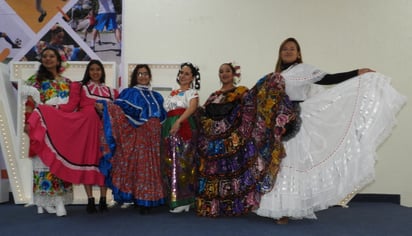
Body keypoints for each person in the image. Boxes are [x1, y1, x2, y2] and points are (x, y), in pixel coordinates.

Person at [255, 37, 407, 224]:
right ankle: (277, 207)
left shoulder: (304, 70)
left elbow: (328, 79)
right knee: (277, 163)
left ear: (298, 53)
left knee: (292, 160)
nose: (288, 51)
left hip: (295, 120)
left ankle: (288, 208)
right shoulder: (274, 75)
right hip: (277, 123)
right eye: (284, 49)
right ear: (280, 53)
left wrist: (357, 72)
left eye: (292, 48)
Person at [195, 62, 296, 217]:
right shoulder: (213, 96)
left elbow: (253, 105)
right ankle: (214, 207)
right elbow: (205, 115)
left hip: (232, 142)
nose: (224, 74)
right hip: (214, 144)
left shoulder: (242, 92)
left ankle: (231, 207)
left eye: (227, 71)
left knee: (229, 171)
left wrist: (271, 81)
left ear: (233, 74)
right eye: (221, 71)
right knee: (215, 172)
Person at [27, 60, 118, 214]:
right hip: (86, 130)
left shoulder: (112, 92)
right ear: (88, 72)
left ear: (102, 72)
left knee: (104, 162)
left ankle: (103, 199)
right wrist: (50, 109)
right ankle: (90, 200)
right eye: (92, 70)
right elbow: (70, 106)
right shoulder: (79, 87)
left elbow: (117, 110)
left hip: (105, 131)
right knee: (87, 160)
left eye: (98, 69)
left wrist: (106, 108)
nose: (95, 72)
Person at [97, 64, 167, 214]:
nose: (143, 76)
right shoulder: (130, 93)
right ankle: (142, 201)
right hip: (140, 133)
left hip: (154, 136)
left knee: (153, 166)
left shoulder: (157, 96)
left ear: (150, 76)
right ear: (135, 76)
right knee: (142, 166)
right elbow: (119, 108)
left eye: (146, 73)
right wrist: (106, 106)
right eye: (140, 74)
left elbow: (162, 116)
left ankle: (150, 198)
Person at [22, 47, 73, 217]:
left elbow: (72, 107)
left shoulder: (67, 82)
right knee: (44, 163)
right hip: (43, 126)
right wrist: (27, 123)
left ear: (58, 60)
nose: (48, 59)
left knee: (61, 162)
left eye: (52, 56)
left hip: (62, 128)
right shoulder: (35, 81)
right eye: (45, 56)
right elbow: (29, 104)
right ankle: (50, 200)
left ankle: (55, 200)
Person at [162, 62, 200, 213]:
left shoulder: (192, 93)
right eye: (181, 73)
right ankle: (175, 198)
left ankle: (185, 200)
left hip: (183, 127)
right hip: (170, 128)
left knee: (183, 163)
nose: (183, 76)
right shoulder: (173, 92)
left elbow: (192, 108)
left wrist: (178, 121)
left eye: (187, 73)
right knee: (171, 163)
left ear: (192, 77)